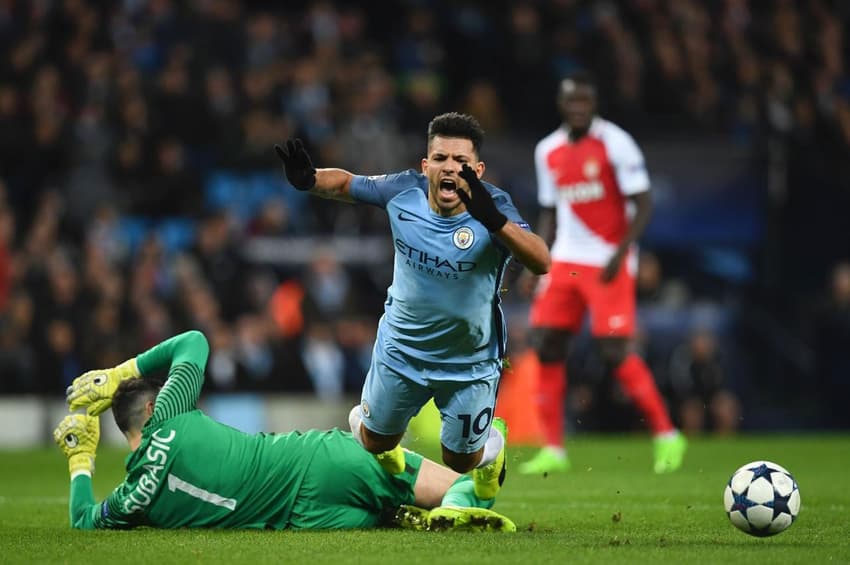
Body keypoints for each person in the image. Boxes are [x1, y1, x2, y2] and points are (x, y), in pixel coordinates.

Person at [273, 112, 551, 500]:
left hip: (468, 360)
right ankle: (384, 442)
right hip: (401, 349)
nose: (450, 168)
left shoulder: (496, 207)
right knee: (373, 441)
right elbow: (347, 184)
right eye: (440, 159)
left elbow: (542, 260)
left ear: (478, 169)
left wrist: (495, 222)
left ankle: (494, 449)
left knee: (459, 461)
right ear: (426, 165)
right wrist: (309, 179)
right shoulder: (404, 190)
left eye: (461, 162)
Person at [56, 330, 516, 532]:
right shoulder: (169, 414)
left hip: (308, 521)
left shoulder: (133, 498)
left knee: (387, 516)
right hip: (314, 461)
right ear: (154, 406)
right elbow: (193, 342)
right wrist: (119, 373)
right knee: (456, 488)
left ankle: (417, 504)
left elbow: (82, 521)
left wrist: (81, 459)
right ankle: (472, 487)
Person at [518, 71, 687, 475]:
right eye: (571, 101)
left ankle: (667, 434)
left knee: (612, 349)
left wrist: (622, 253)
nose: (578, 107)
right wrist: (537, 260)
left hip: (608, 260)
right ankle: (554, 450)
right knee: (546, 344)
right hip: (565, 260)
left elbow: (643, 203)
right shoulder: (548, 150)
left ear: (594, 103)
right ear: (561, 104)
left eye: (585, 101)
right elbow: (550, 211)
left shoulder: (615, 142)